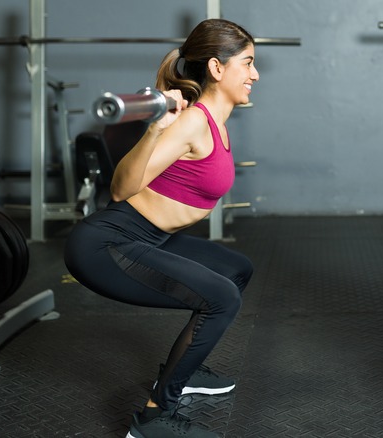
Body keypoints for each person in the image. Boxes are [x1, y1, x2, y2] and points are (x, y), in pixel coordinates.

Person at [64, 18, 259, 438]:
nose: (255, 75)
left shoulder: (215, 121)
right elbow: (120, 189)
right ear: (217, 68)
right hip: (107, 243)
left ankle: (184, 370)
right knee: (222, 299)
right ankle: (154, 418)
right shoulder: (192, 123)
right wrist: (156, 128)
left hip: (152, 237)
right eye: (247, 63)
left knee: (235, 270)